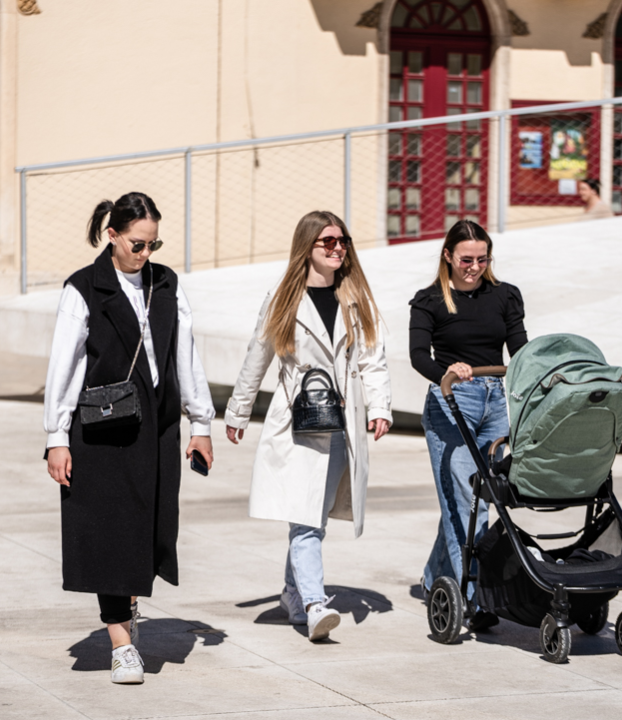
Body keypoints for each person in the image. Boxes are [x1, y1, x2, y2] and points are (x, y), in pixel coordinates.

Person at [43, 191, 215, 684]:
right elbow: (65, 365)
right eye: (137, 244)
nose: (145, 255)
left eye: (153, 244)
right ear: (112, 235)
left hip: (157, 427)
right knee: (111, 533)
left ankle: (129, 606)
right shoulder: (85, 288)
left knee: (150, 527)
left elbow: (186, 354)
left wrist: (199, 422)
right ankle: (121, 643)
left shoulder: (166, 284)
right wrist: (57, 436)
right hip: (101, 430)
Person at [225, 210, 392, 643]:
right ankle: (316, 604)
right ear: (308, 248)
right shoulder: (283, 298)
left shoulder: (357, 299)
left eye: (343, 241)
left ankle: (291, 594)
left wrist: (381, 408)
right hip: (297, 424)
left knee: (311, 517)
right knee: (304, 520)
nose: (338, 249)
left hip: (343, 424)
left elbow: (373, 360)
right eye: (328, 242)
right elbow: (256, 357)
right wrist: (238, 412)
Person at [409, 219, 527, 632]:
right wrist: (448, 370)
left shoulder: (505, 296)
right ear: (448, 256)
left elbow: (521, 350)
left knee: (478, 498)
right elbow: (418, 356)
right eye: (466, 259)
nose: (474, 267)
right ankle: (475, 595)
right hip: (451, 401)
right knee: (464, 497)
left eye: (482, 259)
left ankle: (432, 577)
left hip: (495, 400)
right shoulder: (429, 301)